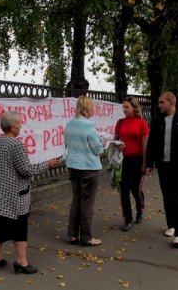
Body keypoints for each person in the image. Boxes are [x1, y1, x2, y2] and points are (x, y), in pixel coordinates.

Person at [0, 111, 59, 274]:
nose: (21, 126)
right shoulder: (16, 144)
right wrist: (47, 164)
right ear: (13, 127)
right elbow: (26, 170)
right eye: (19, 123)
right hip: (15, 196)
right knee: (19, 229)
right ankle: (21, 262)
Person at [146, 92, 178, 247]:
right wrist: (149, 163)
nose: (159, 105)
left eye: (162, 102)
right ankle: (171, 225)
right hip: (163, 165)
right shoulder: (159, 121)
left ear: (171, 102)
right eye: (158, 102)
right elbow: (152, 142)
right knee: (167, 196)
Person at [64, 96, 104, 246]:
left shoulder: (69, 124)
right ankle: (86, 237)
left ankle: (72, 234)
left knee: (76, 201)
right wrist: (101, 142)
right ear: (87, 108)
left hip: (73, 166)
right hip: (88, 167)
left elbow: (67, 143)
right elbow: (97, 149)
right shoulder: (88, 125)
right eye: (92, 107)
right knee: (87, 203)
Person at [114, 96, 149, 232]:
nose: (124, 110)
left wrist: (145, 164)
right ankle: (127, 219)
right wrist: (118, 146)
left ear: (134, 108)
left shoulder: (141, 123)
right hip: (123, 160)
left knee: (135, 188)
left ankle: (140, 208)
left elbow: (145, 145)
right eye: (123, 107)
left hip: (138, 160)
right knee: (124, 191)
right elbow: (115, 140)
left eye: (127, 107)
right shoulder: (120, 122)